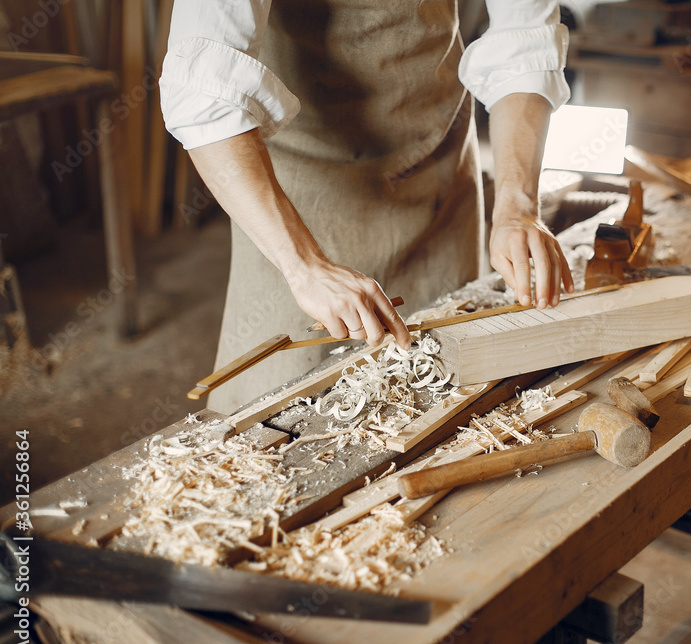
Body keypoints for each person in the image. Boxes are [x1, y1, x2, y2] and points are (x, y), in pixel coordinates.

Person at [160, 0, 575, 413]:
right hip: (304, 186)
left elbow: (525, 42)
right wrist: (304, 266)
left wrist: (518, 206)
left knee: (446, 397)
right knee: (279, 414)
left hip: (439, 163)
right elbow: (202, 96)